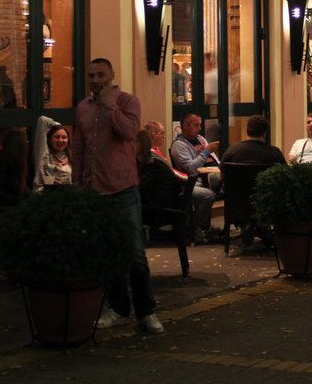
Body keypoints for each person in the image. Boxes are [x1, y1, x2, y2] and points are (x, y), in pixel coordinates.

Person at [70, 58, 162, 334]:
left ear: (112, 76)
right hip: (94, 190)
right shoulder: (83, 108)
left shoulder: (127, 102)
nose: (96, 80)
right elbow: (79, 148)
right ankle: (119, 308)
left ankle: (146, 311)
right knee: (107, 252)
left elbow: (129, 133)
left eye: (101, 75)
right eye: (91, 75)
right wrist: (78, 183)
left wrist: (110, 105)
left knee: (134, 253)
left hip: (123, 189)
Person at [145, 120, 216, 240]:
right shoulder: (154, 156)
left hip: (172, 186)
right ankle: (193, 228)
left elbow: (171, 171)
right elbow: (175, 173)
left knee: (205, 183)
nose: (164, 136)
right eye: (162, 133)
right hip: (171, 191)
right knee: (208, 194)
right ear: (153, 135)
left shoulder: (154, 151)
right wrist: (190, 179)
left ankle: (201, 227)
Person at [170, 113, 223, 194]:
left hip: (213, 171)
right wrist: (206, 151)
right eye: (196, 125)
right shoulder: (178, 145)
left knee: (234, 174)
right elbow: (191, 169)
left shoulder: (200, 138)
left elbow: (214, 159)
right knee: (228, 179)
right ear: (185, 126)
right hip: (200, 178)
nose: (200, 128)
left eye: (200, 125)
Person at [32, 115, 72, 190]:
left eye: (64, 137)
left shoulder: (72, 157)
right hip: (45, 195)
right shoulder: (44, 155)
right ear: (50, 139)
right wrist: (58, 126)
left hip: (68, 196)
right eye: (57, 137)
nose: (60, 140)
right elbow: (43, 120)